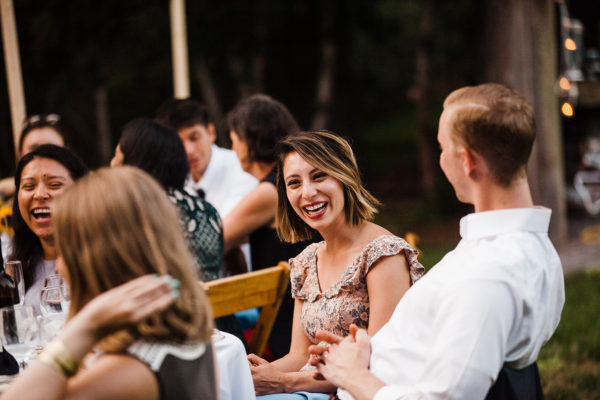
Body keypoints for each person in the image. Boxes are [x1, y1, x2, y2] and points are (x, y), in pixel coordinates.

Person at [308, 83, 566, 400]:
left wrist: (352, 376)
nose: (441, 159)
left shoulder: (488, 274)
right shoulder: (529, 248)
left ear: (467, 161)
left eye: (442, 148)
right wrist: (370, 352)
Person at [1, 166, 217, 400]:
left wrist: (84, 327)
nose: (60, 267)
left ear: (100, 259)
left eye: (65, 250)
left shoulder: (124, 375)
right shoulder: (185, 329)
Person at [247, 130, 424, 398]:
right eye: (294, 183)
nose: (307, 192)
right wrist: (259, 376)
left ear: (345, 177)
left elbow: (378, 367)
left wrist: (284, 382)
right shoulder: (307, 260)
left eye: (319, 176)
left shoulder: (383, 254)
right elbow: (298, 356)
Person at [225, 94, 318, 359]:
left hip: (290, 316)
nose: (232, 150)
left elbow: (213, 239)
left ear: (248, 139)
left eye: (233, 140)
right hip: (299, 301)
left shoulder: (271, 190)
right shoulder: (283, 180)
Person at [110, 118, 223, 282]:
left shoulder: (131, 214)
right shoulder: (207, 211)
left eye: (117, 157)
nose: (112, 164)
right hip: (210, 305)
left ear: (134, 165)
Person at [9, 144, 88, 314]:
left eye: (54, 185)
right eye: (29, 187)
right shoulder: (15, 269)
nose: (39, 194)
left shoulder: (100, 261)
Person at [155, 98, 257, 218]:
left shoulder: (241, 168)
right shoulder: (169, 180)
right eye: (178, 143)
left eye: (194, 138)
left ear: (211, 132)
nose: (189, 151)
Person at [0, 114, 66, 201]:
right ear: (20, 156)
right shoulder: (5, 199)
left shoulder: (84, 198)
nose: (43, 155)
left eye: (51, 148)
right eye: (34, 149)